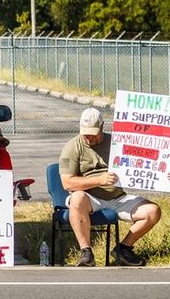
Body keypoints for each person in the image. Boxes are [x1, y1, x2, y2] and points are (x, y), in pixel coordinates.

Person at [59, 107, 162, 267]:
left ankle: (124, 248)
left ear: (102, 127)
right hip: (90, 198)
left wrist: (163, 174)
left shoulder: (117, 142)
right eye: (85, 133)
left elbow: (144, 163)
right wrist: (99, 180)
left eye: (93, 133)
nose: (89, 138)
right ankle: (86, 252)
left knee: (153, 211)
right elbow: (67, 183)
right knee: (77, 198)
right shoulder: (72, 147)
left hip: (118, 196)